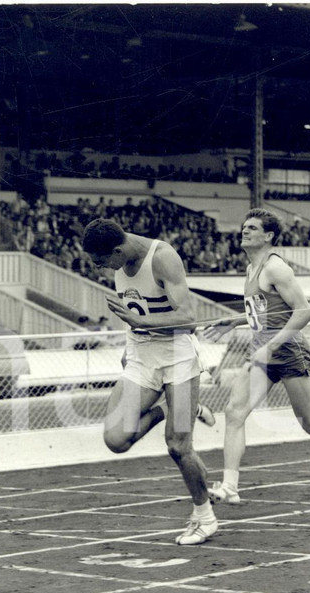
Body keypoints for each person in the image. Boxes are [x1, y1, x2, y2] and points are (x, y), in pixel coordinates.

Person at [204, 209, 310, 504]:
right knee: (234, 413)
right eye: (243, 227)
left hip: (287, 350)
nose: (244, 231)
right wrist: (234, 322)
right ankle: (230, 486)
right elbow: (265, 311)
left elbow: (304, 313)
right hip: (261, 351)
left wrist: (271, 346)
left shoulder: (276, 268)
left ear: (268, 236)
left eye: (252, 228)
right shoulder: (251, 269)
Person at [81, 217, 217, 546]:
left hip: (178, 358)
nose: (101, 269)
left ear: (117, 250)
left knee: (178, 446)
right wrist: (130, 348)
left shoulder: (162, 257)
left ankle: (205, 517)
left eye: (101, 262)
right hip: (142, 358)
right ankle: (165, 408)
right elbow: (135, 316)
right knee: (115, 438)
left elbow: (188, 319)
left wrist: (138, 320)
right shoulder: (118, 264)